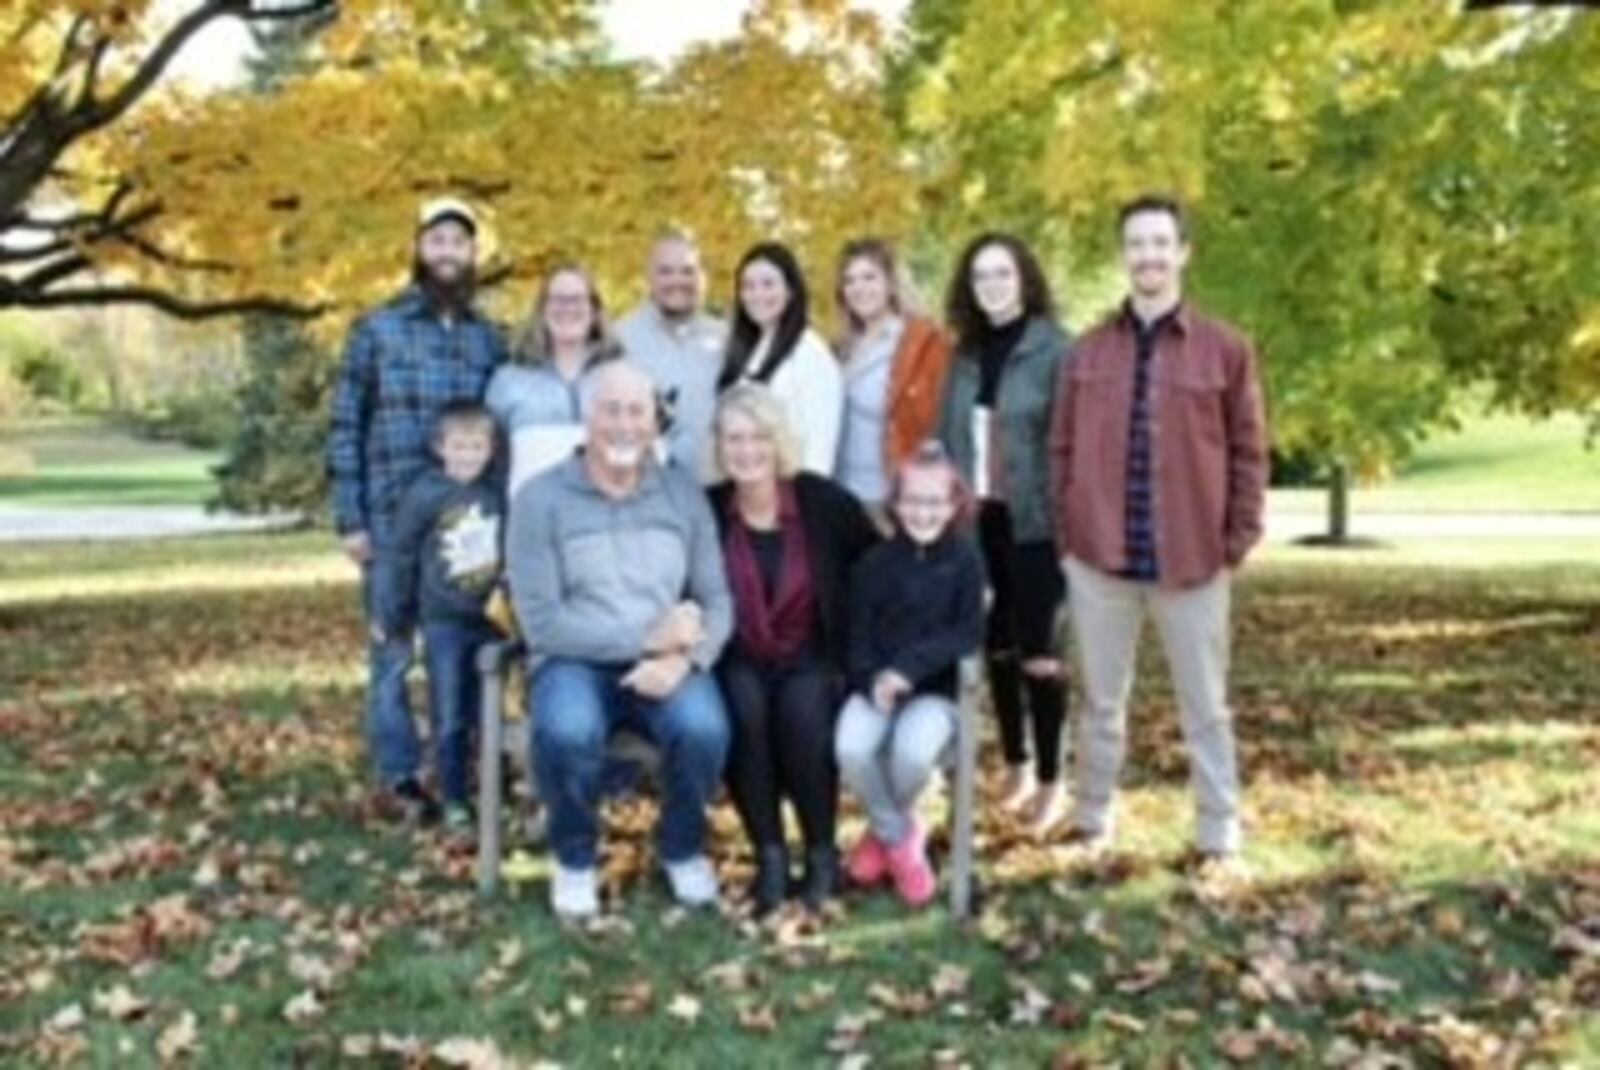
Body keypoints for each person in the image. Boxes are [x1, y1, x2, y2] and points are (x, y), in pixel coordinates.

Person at [1049, 194, 1268, 865]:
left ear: (1183, 252)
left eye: (1160, 242)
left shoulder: (1226, 350)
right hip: (1099, 562)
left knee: (1205, 707)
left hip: (1193, 562)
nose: (1148, 255)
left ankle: (1217, 828)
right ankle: (1092, 818)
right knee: (1100, 704)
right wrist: (1068, 538)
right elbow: (1060, 449)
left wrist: (1234, 541)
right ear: (1124, 256)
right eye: (1136, 243)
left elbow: (1250, 451)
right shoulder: (1086, 351)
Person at [506, 361, 733, 920]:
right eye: (611, 410)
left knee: (704, 727)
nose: (625, 424)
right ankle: (575, 858)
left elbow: (718, 600)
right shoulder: (540, 500)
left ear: (655, 421)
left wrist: (687, 659)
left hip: (668, 663)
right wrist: (646, 639)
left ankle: (680, 849)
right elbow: (542, 623)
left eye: (638, 411)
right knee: (565, 730)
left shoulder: (681, 494)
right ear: (588, 416)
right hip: (572, 663)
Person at [326, 197, 506, 823]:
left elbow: (498, 434)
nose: (449, 253)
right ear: (419, 249)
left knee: (469, 649)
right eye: (438, 241)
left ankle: (470, 769)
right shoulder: (377, 329)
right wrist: (349, 517)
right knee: (392, 651)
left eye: (460, 242)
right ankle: (403, 778)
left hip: (467, 530)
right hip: (389, 521)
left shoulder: (489, 337)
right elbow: (346, 423)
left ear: (472, 254)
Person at [707, 384, 880, 915]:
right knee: (744, 708)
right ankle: (771, 856)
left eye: (758, 436)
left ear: (778, 440)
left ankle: (823, 857)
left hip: (813, 652)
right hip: (738, 655)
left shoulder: (823, 502)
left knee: (804, 711)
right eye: (734, 438)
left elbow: (878, 571)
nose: (747, 450)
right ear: (720, 446)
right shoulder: (709, 510)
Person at [937, 232, 1074, 835]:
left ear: (1025, 279)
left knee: (1040, 654)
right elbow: (948, 438)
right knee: (995, 647)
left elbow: (1070, 442)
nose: (991, 285)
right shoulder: (962, 357)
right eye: (980, 276)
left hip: (1036, 523)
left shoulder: (1054, 350)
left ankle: (1052, 778)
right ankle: (1016, 765)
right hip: (977, 522)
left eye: (1002, 273)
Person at [835, 443, 984, 907]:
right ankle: (901, 836)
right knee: (851, 746)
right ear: (896, 504)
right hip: (876, 685)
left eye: (935, 502)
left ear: (955, 505)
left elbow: (966, 632)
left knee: (914, 754)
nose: (924, 512)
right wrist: (872, 680)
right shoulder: (874, 565)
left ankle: (883, 836)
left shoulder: (965, 563)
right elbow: (855, 637)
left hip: (934, 692)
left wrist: (907, 671)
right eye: (913, 501)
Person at [376, 401, 504, 833]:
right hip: (443, 623)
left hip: (491, 622)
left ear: (491, 448)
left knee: (488, 714)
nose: (468, 455)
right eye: (459, 446)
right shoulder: (425, 494)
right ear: (440, 448)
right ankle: (454, 799)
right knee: (448, 713)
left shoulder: (496, 492)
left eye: (478, 445)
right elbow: (400, 556)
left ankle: (491, 791)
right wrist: (393, 614)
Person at [832, 238, 953, 520]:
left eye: (869, 277)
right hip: (840, 493)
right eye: (849, 281)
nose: (858, 288)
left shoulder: (921, 344)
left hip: (889, 497)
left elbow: (936, 427)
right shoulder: (842, 348)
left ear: (891, 283)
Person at [488, 264, 619, 502]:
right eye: (557, 299)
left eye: (577, 299)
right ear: (542, 309)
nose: (567, 308)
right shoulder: (508, 381)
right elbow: (493, 463)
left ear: (595, 309)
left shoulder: (621, 376)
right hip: (532, 524)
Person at [718, 242, 843, 475]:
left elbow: (819, 450)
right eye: (748, 286)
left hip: (792, 499)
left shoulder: (810, 353)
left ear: (791, 290)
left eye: (768, 284)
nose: (757, 294)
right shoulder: (747, 350)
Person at [615, 230, 728, 480]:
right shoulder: (621, 341)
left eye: (688, 271)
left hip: (718, 488)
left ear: (703, 277)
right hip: (646, 490)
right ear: (649, 278)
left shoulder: (727, 339)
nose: (677, 280)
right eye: (666, 271)